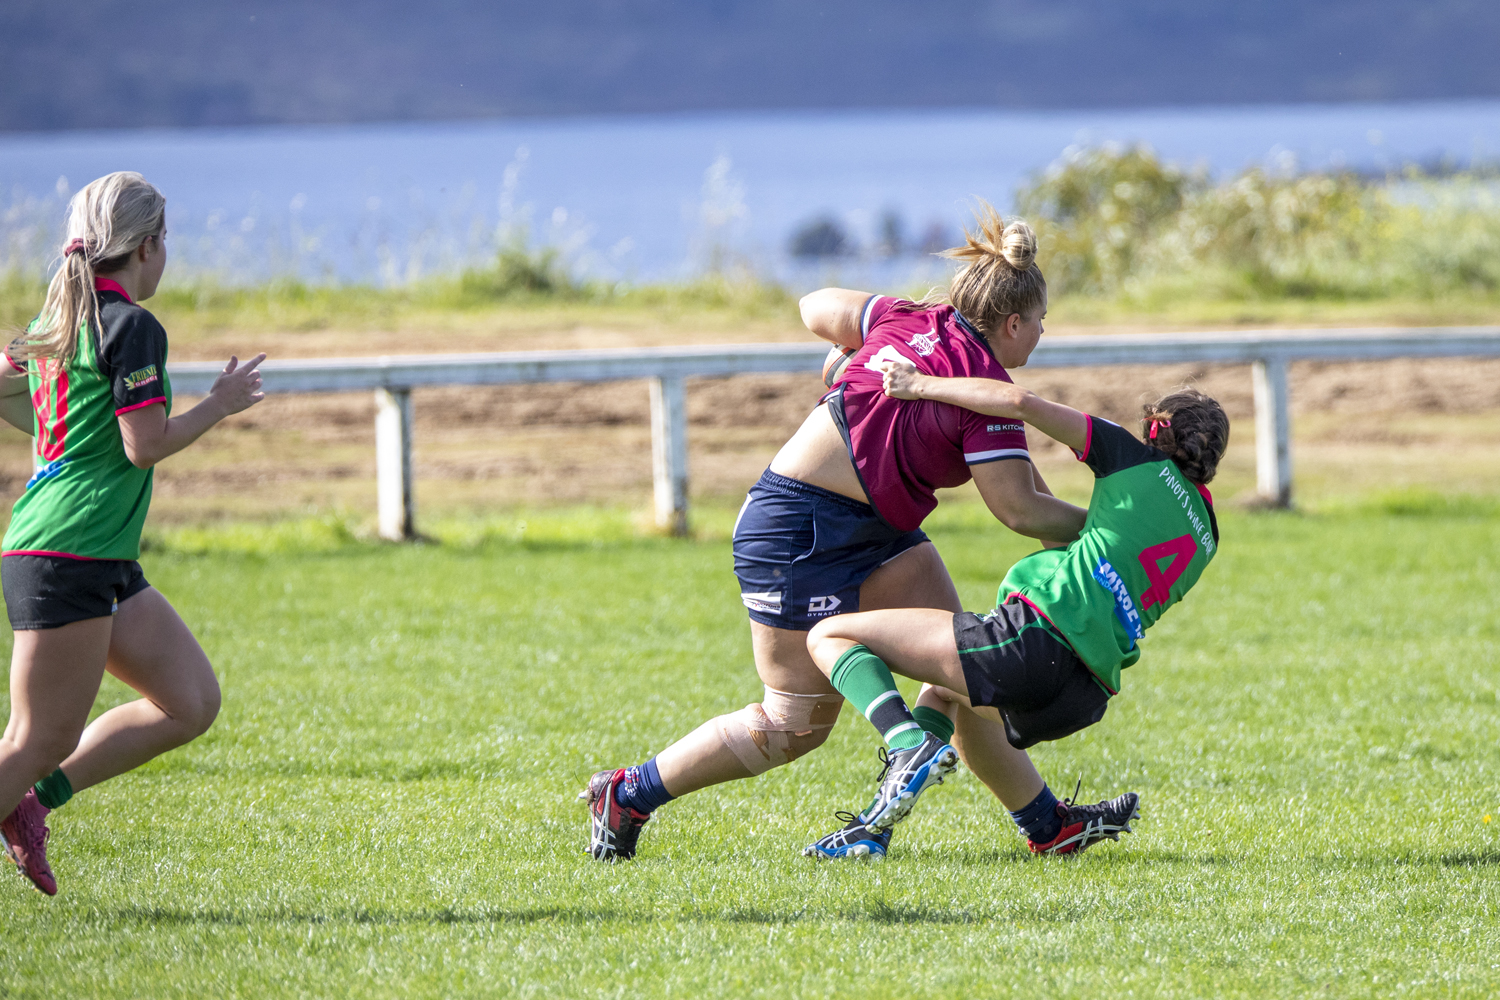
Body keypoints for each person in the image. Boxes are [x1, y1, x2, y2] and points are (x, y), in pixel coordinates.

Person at [583, 203, 1132, 862]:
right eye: (1041, 320)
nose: (1043, 333)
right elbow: (1020, 511)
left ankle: (1045, 825)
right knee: (793, 725)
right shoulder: (985, 391)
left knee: (964, 670)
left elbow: (814, 304)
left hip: (876, 530)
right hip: (795, 528)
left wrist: (849, 344)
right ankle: (627, 794)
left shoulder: (907, 318)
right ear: (1013, 323)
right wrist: (1114, 533)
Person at [804, 367, 1230, 855]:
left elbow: (1022, 403)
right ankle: (1027, 825)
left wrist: (918, 385)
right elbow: (1088, 545)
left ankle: (906, 744)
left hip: (1032, 643)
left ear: (1156, 429)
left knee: (829, 636)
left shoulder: (1133, 458)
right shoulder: (1207, 533)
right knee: (944, 690)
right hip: (1081, 695)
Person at [0, 172, 266, 896]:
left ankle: (30, 805)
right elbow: (144, 446)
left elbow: (7, 385)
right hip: (68, 551)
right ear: (146, 246)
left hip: (97, 553)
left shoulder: (60, 319)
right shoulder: (130, 325)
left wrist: (60, 436)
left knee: (190, 700)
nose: (166, 255)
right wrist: (219, 404)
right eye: (166, 241)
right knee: (37, 738)